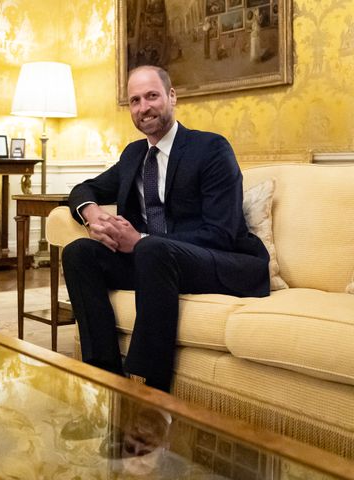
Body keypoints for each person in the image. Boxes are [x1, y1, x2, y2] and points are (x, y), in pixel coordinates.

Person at [62, 66, 269, 393]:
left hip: (220, 260)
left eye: (152, 96)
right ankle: (103, 378)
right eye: (134, 100)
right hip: (155, 264)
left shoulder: (211, 149)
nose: (143, 107)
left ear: (172, 97)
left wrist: (140, 240)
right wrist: (91, 214)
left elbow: (222, 232)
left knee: (150, 248)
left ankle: (146, 390)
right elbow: (83, 188)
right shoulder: (134, 155)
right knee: (78, 253)